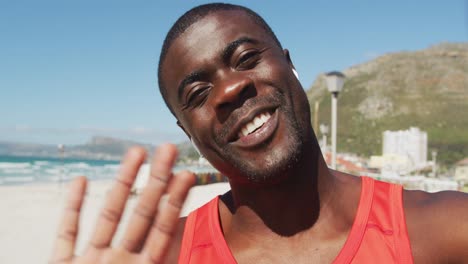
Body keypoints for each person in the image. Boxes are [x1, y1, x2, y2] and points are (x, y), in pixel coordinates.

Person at [49, 3, 468, 264]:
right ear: (187, 131)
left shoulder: (445, 230)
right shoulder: (162, 255)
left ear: (290, 65)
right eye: (197, 93)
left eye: (247, 57)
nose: (231, 89)